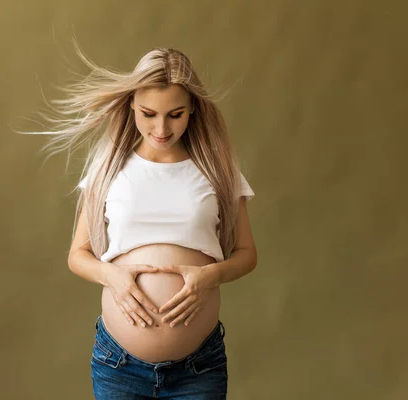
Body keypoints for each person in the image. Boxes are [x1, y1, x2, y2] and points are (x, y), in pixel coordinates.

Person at [24, 46, 257, 399]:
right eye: (149, 114)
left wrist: (209, 276)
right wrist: (112, 277)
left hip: (198, 368)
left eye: (175, 114)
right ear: (131, 103)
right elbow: (78, 254)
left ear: (193, 107)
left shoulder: (217, 171)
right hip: (119, 366)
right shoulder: (108, 169)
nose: (161, 128)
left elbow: (246, 254)